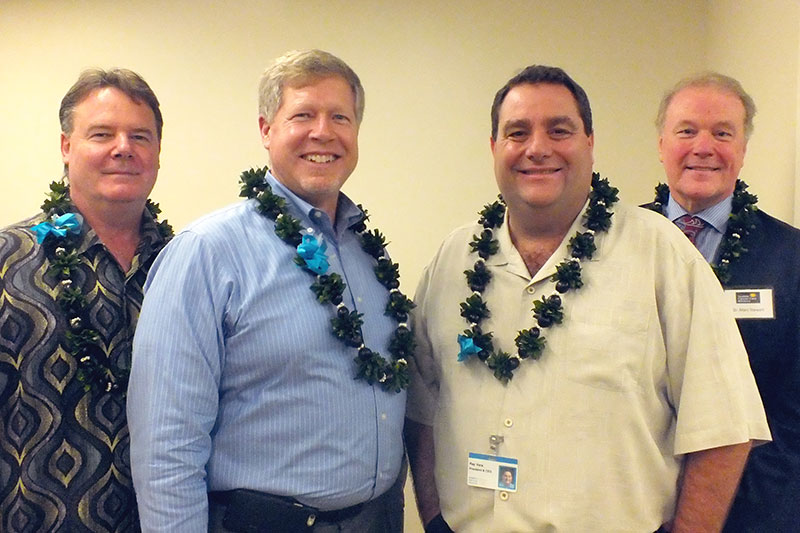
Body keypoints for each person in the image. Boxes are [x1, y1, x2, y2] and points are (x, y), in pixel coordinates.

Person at [404, 65, 771, 533]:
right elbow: (422, 406)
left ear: (590, 143)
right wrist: (435, 518)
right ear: (494, 148)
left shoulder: (660, 254)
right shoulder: (453, 260)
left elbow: (723, 428)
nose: (537, 148)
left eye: (559, 130)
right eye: (517, 132)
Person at [127, 49, 411, 533]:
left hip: (378, 518)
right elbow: (165, 443)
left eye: (339, 117)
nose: (323, 132)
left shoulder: (367, 254)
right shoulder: (207, 253)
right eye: (303, 115)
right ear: (266, 130)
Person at [0, 68, 170, 532]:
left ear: (157, 152)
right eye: (101, 134)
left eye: (141, 135)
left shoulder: (187, 265)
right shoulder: (8, 259)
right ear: (66, 147)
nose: (123, 147)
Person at [646, 72, 800, 532]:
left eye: (722, 133)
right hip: (636, 507)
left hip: (754, 509)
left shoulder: (790, 258)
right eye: (687, 130)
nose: (703, 146)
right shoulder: (614, 247)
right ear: (661, 144)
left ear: (743, 149)